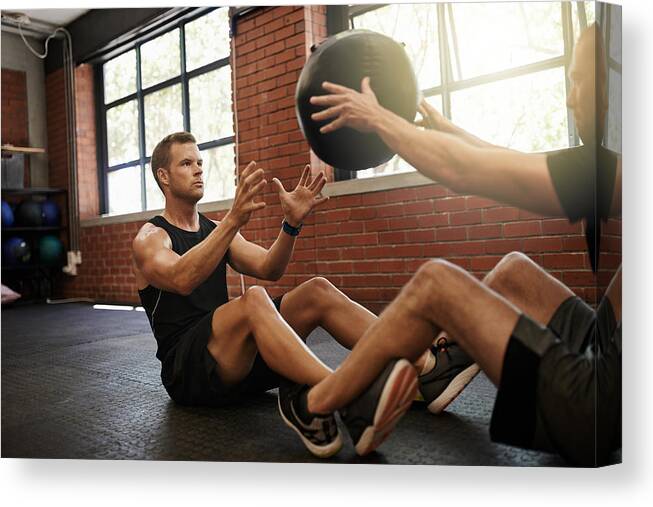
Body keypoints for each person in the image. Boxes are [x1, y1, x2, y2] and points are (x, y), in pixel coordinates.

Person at [297, 23, 621, 466]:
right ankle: (438, 370)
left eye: (579, 81)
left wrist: (377, 118)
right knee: (513, 272)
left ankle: (319, 403)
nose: (570, 97)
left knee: (435, 284)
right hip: (610, 346)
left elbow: (467, 173)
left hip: (602, 412)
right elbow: (515, 164)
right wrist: (446, 130)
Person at [131, 132, 478, 458]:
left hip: (237, 364)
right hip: (190, 373)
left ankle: (428, 368)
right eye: (186, 164)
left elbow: (269, 267)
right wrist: (233, 220)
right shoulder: (151, 237)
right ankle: (342, 395)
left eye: (200, 163)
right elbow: (182, 278)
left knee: (316, 291)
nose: (198, 170)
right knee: (254, 300)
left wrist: (290, 225)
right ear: (163, 176)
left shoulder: (212, 229)